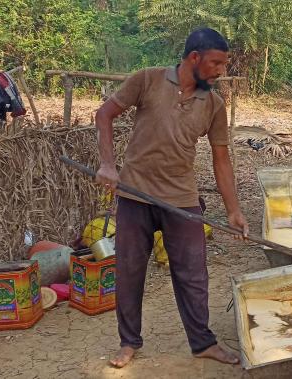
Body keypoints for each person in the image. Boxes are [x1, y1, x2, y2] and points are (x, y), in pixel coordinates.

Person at [94, 27, 250, 368]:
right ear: (193, 58)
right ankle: (129, 342)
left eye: (223, 64)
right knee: (130, 272)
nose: (220, 71)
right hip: (136, 196)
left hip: (182, 199)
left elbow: (221, 159)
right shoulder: (147, 80)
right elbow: (104, 114)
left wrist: (234, 210)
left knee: (193, 275)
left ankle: (202, 343)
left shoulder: (213, 104)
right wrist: (107, 165)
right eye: (215, 63)